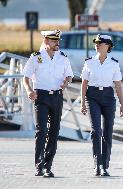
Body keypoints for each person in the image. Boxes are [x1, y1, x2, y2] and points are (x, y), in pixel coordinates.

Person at [22, 30, 73, 178]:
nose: (57, 43)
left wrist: (66, 81)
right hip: (41, 96)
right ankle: (39, 165)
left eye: (58, 40)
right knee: (42, 130)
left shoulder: (63, 58)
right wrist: (29, 90)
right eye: (53, 40)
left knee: (54, 131)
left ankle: (47, 166)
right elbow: (25, 78)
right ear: (45, 41)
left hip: (56, 97)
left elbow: (69, 74)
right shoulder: (36, 57)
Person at [80, 34, 123, 176]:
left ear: (108, 46)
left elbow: (118, 85)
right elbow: (84, 83)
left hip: (108, 97)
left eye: (101, 43)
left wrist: (122, 104)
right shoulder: (89, 62)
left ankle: (105, 165)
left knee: (107, 131)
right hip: (92, 96)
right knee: (95, 131)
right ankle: (97, 165)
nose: (97, 45)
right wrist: (82, 101)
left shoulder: (114, 63)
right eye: (96, 43)